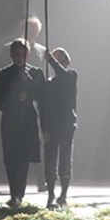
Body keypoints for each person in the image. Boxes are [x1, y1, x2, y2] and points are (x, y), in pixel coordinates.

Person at [0, 38, 46, 208]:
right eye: (16, 54)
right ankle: (14, 192)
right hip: (10, 119)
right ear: (11, 55)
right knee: (10, 157)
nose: (19, 57)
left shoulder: (35, 73)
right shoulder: (3, 73)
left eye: (22, 54)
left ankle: (18, 194)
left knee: (24, 158)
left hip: (28, 119)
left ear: (27, 54)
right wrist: (12, 102)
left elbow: (42, 95)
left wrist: (28, 84)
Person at [40, 47, 78, 208]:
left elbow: (63, 74)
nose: (58, 62)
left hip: (66, 123)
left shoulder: (71, 75)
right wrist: (43, 129)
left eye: (61, 59)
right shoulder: (48, 83)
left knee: (64, 158)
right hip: (52, 125)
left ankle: (63, 194)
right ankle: (50, 194)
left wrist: (51, 60)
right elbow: (43, 107)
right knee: (50, 159)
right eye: (56, 59)